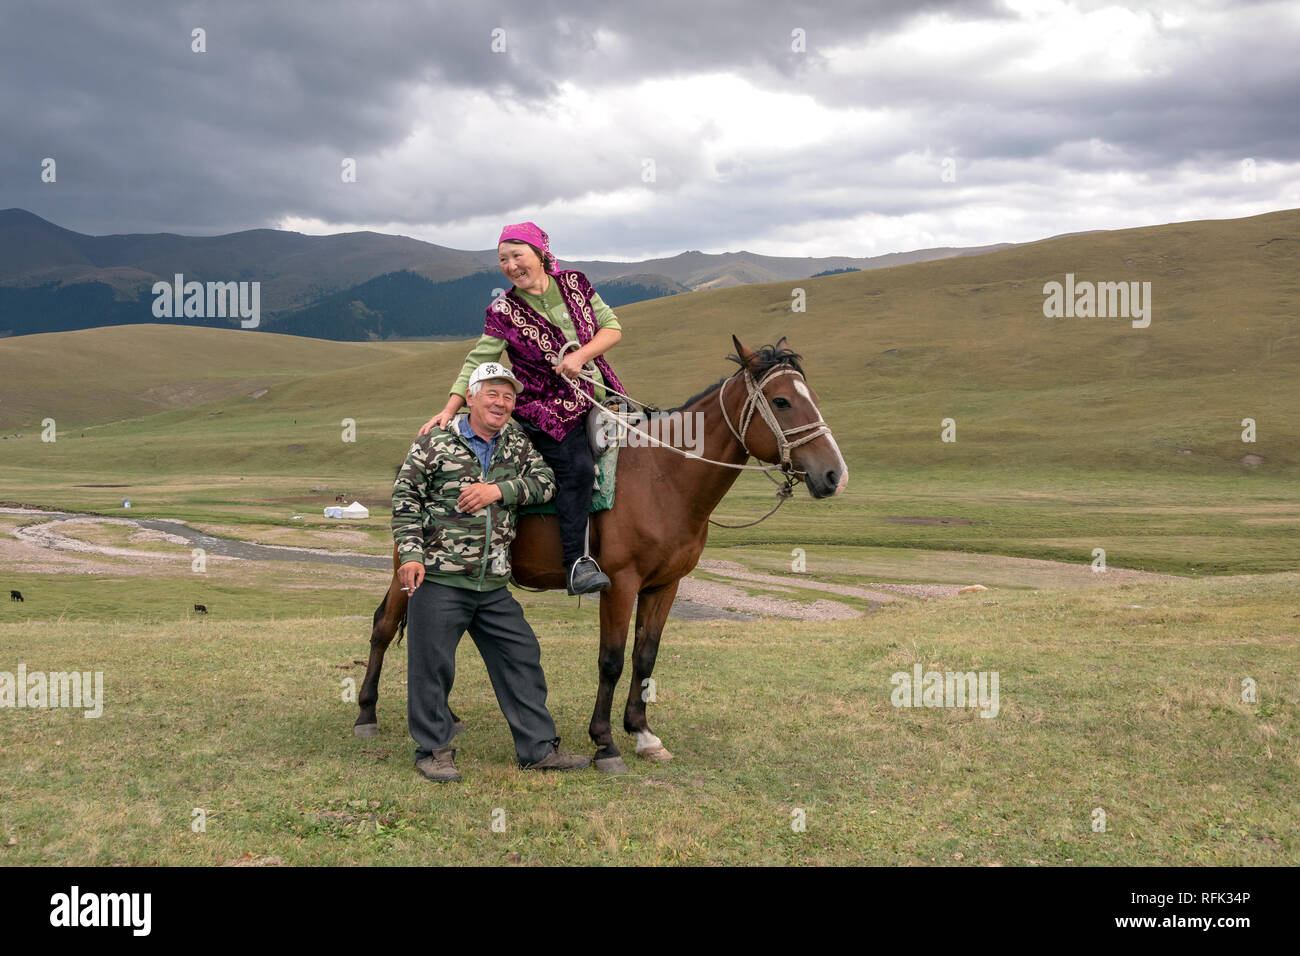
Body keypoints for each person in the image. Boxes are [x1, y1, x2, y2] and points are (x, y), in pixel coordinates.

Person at [393, 362, 590, 781]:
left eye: (509, 397)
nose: (501, 403)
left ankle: (538, 750)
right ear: (470, 397)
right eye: (492, 394)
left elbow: (546, 482)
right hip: (441, 576)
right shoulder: (434, 441)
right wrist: (411, 554)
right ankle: (433, 750)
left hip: (494, 581)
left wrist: (500, 490)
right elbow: (405, 498)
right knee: (432, 666)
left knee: (521, 656)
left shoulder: (515, 441)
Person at [419, 222, 625, 596]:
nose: (511, 265)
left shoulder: (575, 284)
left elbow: (611, 328)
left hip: (599, 394)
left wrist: (580, 355)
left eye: (518, 256)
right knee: (577, 469)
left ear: (540, 255)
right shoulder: (503, 311)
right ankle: (576, 564)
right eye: (503, 259)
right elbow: (478, 359)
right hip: (545, 408)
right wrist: (450, 408)